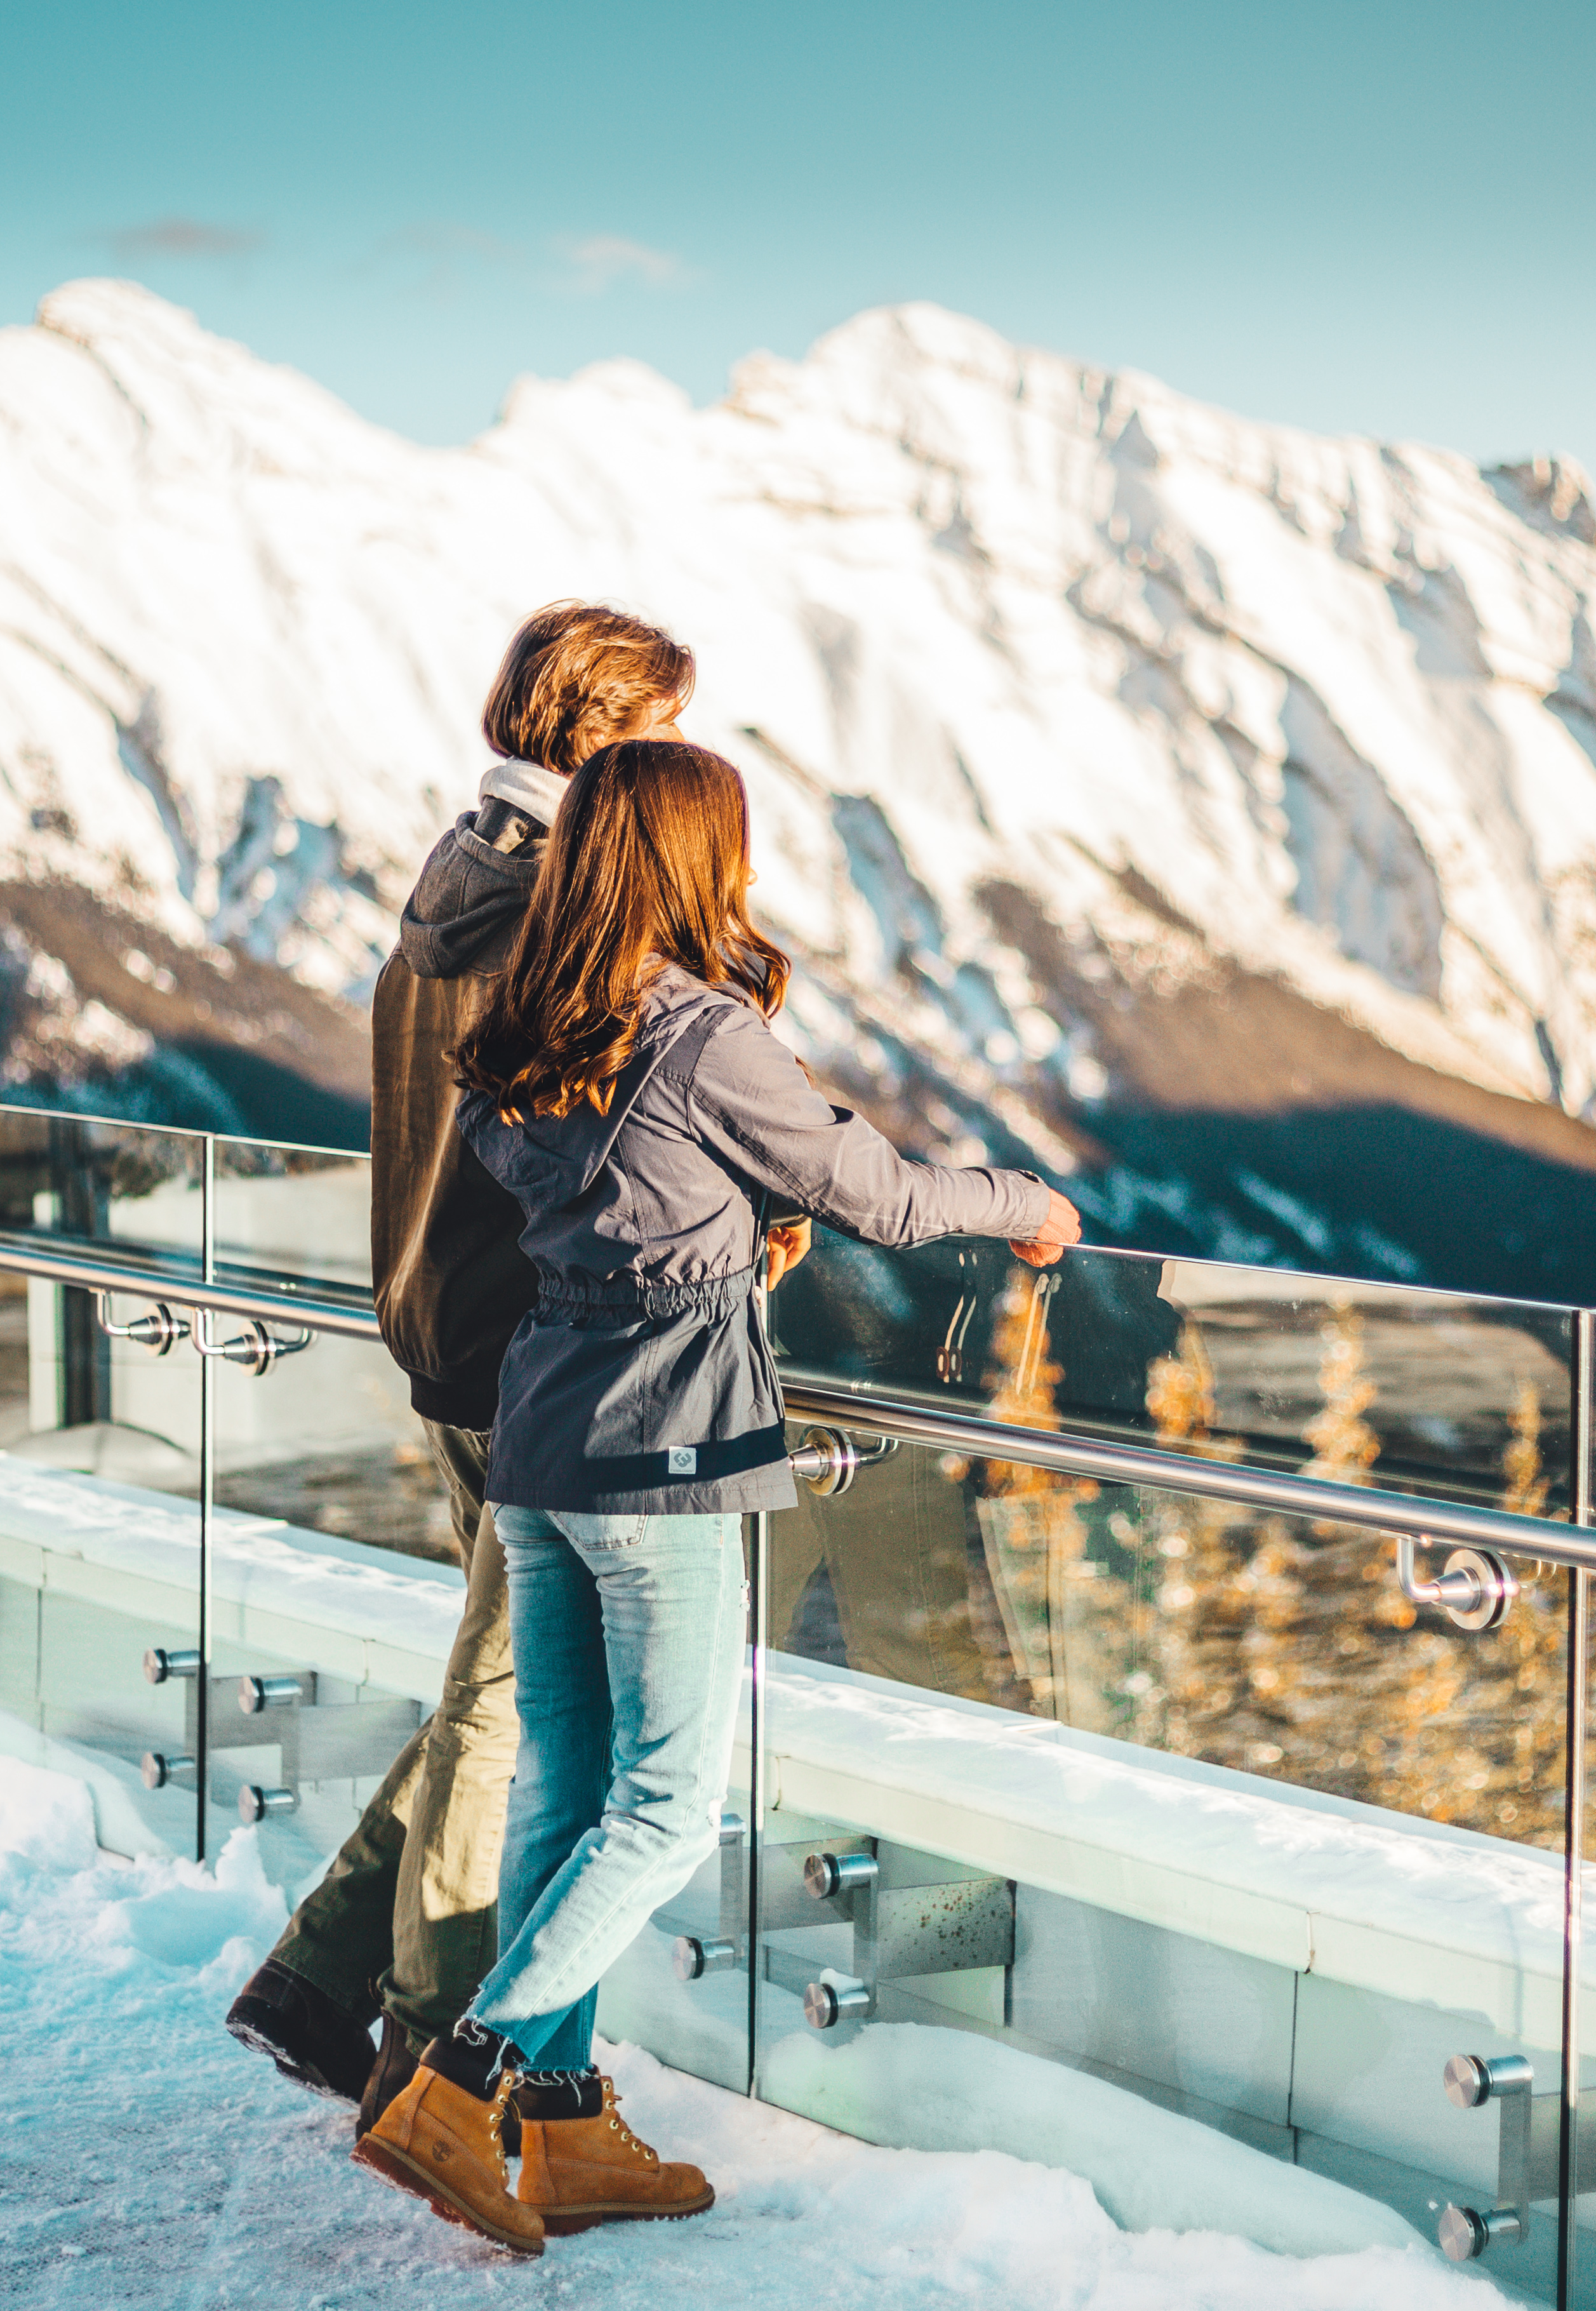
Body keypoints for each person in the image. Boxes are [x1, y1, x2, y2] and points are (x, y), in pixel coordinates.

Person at [353, 738, 1079, 2256]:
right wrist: (1023, 1205)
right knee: (674, 1801)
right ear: (695, 862)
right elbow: (872, 1189)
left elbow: (601, 1197)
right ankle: (462, 2076)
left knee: (569, 1786)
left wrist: (717, 1235)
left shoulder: (531, 1016)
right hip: (662, 1449)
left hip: (541, 1440)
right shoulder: (696, 1030)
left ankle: (561, 2126)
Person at [223, 604, 698, 2123]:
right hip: (538, 1357)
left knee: (492, 1689)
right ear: (608, 732)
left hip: (440, 1337)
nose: (679, 759)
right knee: (514, 1712)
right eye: (664, 730)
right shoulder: (561, 913)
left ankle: (312, 1980)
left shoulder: (452, 882)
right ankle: (431, 2047)